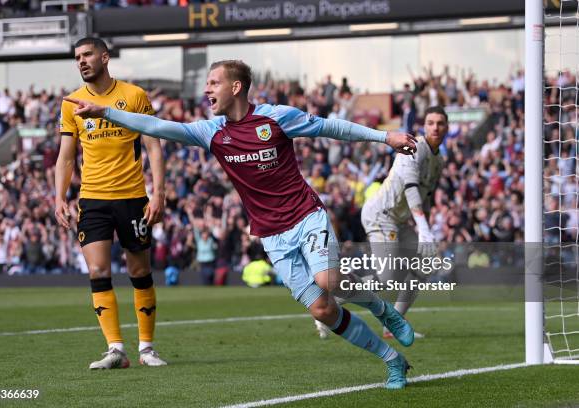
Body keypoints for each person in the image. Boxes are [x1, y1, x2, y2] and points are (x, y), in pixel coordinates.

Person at [64, 60, 418, 388]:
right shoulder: (211, 131)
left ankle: (381, 309)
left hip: (306, 216)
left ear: (236, 87)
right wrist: (107, 112)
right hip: (273, 235)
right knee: (323, 310)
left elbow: (331, 127)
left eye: (213, 83)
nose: (207, 90)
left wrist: (385, 137)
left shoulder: (276, 118)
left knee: (329, 280)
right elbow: (158, 126)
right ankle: (392, 360)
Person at [55, 37, 167, 370]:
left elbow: (154, 146)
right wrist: (59, 197)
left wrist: (158, 192)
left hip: (133, 197)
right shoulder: (71, 102)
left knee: (139, 270)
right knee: (98, 271)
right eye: (77, 57)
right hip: (92, 200)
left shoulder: (134, 96)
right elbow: (65, 157)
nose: (81, 61)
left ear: (105, 57)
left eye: (87, 54)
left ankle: (147, 348)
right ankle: (116, 349)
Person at [360, 106, 447, 339]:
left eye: (440, 123)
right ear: (424, 126)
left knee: (426, 261)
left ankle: (393, 325)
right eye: (431, 122)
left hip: (399, 220)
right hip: (380, 214)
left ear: (447, 127)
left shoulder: (439, 161)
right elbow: (411, 189)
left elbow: (425, 198)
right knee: (387, 276)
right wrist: (424, 228)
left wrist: (425, 233)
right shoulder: (413, 148)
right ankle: (334, 295)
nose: (435, 127)